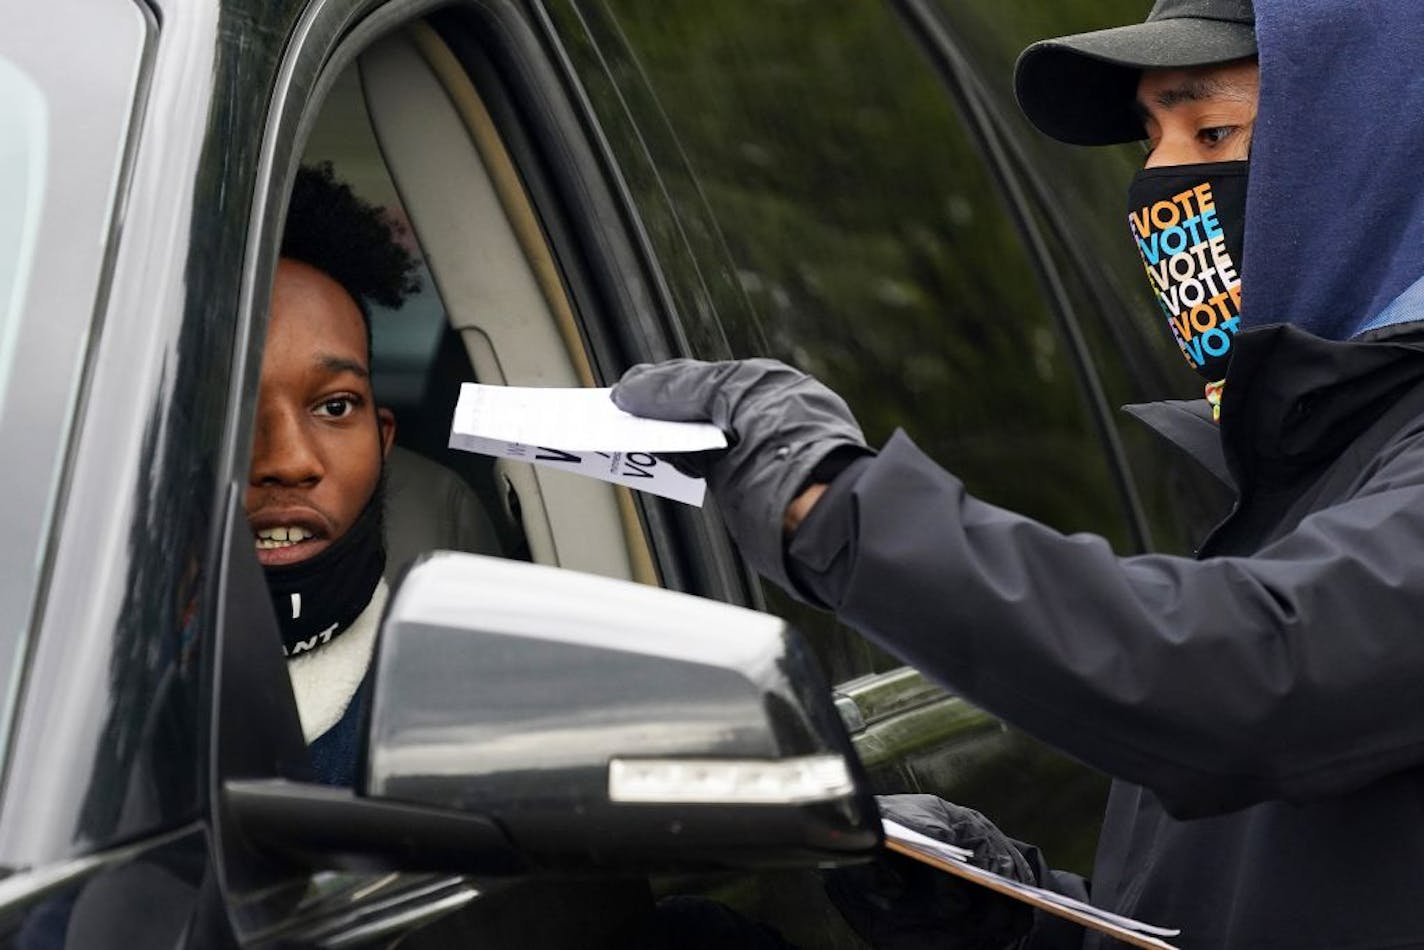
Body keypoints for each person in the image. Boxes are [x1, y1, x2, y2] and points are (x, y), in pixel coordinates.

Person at [611, 0, 1424, 946]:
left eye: (1213, 130)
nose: (1165, 177)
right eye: (1149, 135)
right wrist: (1024, 917)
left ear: (1386, 158)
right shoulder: (1311, 462)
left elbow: (1246, 678)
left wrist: (824, 499)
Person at [249, 162, 419, 785]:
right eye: (229, 406)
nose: (288, 460)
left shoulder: (448, 713)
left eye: (334, 406)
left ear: (383, 436)